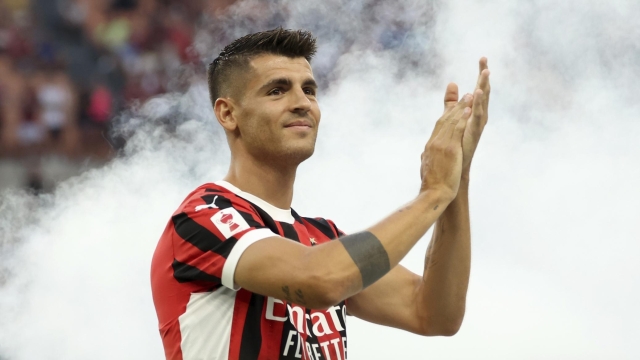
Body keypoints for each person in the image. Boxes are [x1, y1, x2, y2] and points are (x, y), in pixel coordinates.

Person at [151, 28, 490, 360]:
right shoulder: (201, 217)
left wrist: (456, 181)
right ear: (228, 113)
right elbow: (321, 281)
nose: (302, 103)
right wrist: (433, 192)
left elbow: (433, 313)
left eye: (309, 90)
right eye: (277, 91)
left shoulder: (321, 237)